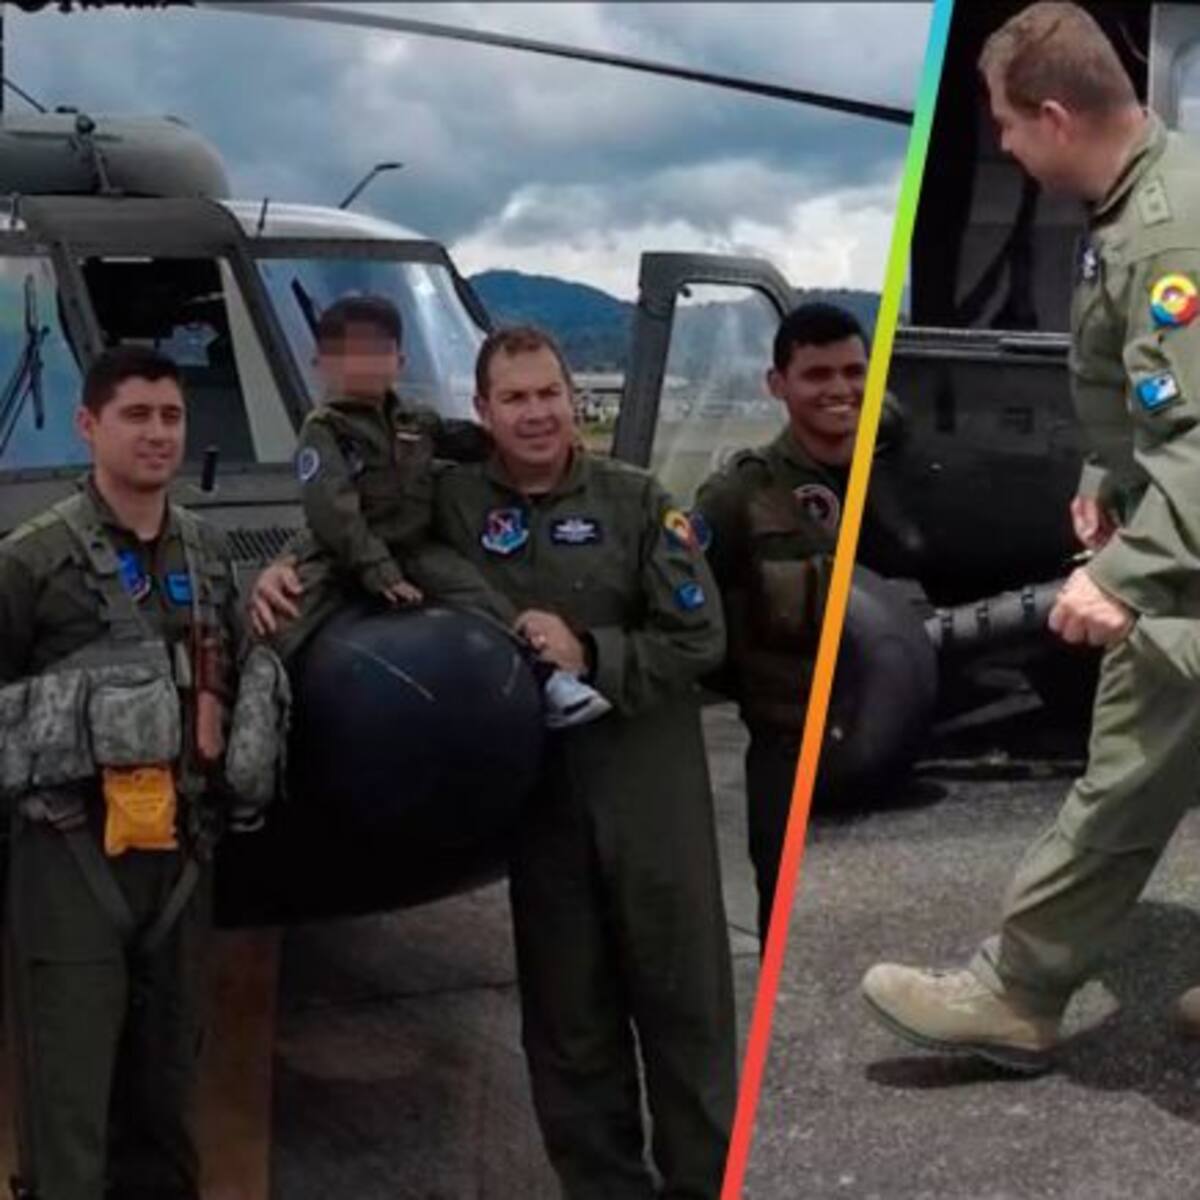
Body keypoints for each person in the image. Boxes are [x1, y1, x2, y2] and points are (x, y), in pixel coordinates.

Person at [252, 324, 737, 1198]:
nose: (536, 413)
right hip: (539, 803)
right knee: (567, 1027)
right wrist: (281, 571)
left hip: (648, 802)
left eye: (549, 394)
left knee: (686, 1017)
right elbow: (363, 527)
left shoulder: (636, 501)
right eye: (514, 398)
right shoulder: (454, 498)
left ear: (573, 401)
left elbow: (699, 638)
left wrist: (592, 651)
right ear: (482, 410)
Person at [862, 0, 1200, 1071]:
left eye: (1007, 123)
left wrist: (1129, 573)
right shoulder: (1136, 202)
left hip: (1185, 563)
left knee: (1126, 776)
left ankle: (1015, 993)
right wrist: (1109, 473)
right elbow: (1158, 394)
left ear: (1055, 116)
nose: (1002, 144)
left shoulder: (1170, 230)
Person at [0, 346, 273, 1199]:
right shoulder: (32, 563)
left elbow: (240, 668)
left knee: (168, 1102)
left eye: (171, 417)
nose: (158, 434)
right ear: (89, 425)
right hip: (68, 854)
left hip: (182, 857)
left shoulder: (210, 556)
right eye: (137, 416)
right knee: (69, 1106)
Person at [274, 293, 608, 726]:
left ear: (400, 360)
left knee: (486, 601)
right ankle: (260, 728)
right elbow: (332, 511)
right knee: (275, 632)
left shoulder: (415, 421)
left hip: (413, 548)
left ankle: (548, 679)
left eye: (377, 351)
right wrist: (376, 569)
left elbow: (466, 441)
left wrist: (522, 438)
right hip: (340, 557)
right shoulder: (324, 432)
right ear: (321, 363)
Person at [694, 303, 913, 944]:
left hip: (897, 741)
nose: (840, 390)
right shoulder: (740, 496)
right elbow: (692, 614)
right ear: (777, 384)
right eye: (817, 375)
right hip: (789, 751)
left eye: (854, 372)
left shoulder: (899, 468)